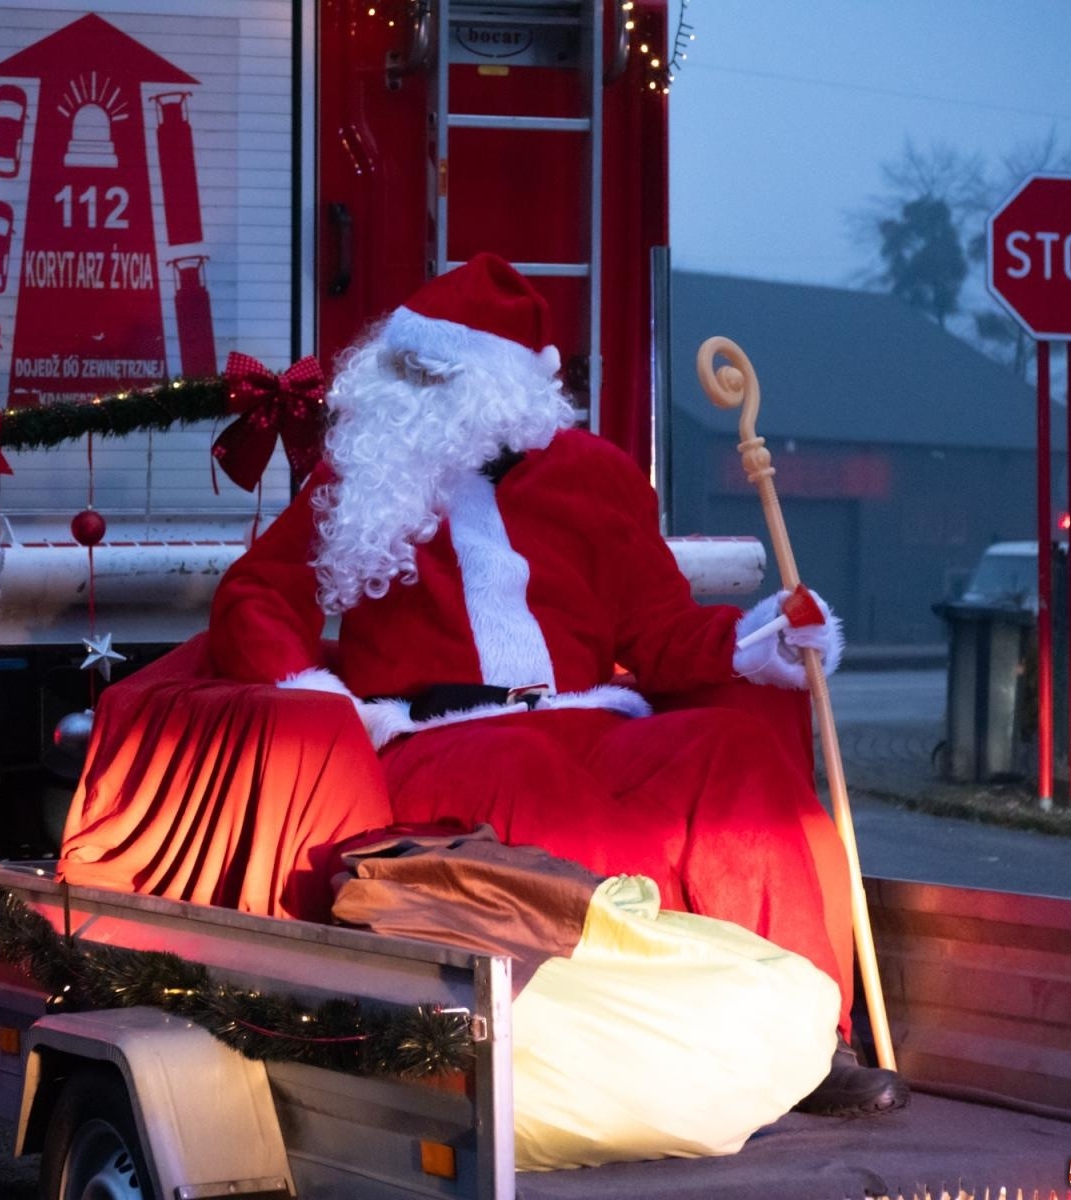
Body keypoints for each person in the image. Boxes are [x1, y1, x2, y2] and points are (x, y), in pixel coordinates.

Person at [208, 253, 908, 1116]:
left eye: (434, 372)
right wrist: (311, 689)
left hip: (594, 718)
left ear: (506, 388)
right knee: (533, 782)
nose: (408, 388)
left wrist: (760, 640)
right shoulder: (359, 477)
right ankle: (628, 1043)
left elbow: (657, 630)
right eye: (406, 368)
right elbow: (254, 594)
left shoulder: (598, 475)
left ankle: (810, 1035)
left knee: (730, 754)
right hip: (437, 740)